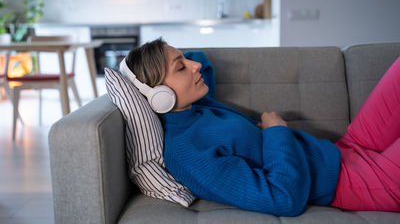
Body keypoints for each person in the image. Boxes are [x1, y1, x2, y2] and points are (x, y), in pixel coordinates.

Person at [121, 38, 400, 217]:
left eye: (184, 60)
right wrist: (276, 132)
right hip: (353, 182)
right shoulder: (187, 153)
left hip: (348, 148)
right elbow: (283, 198)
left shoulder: (195, 106)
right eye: (180, 68)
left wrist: (165, 62)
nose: (194, 66)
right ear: (160, 96)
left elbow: (201, 59)